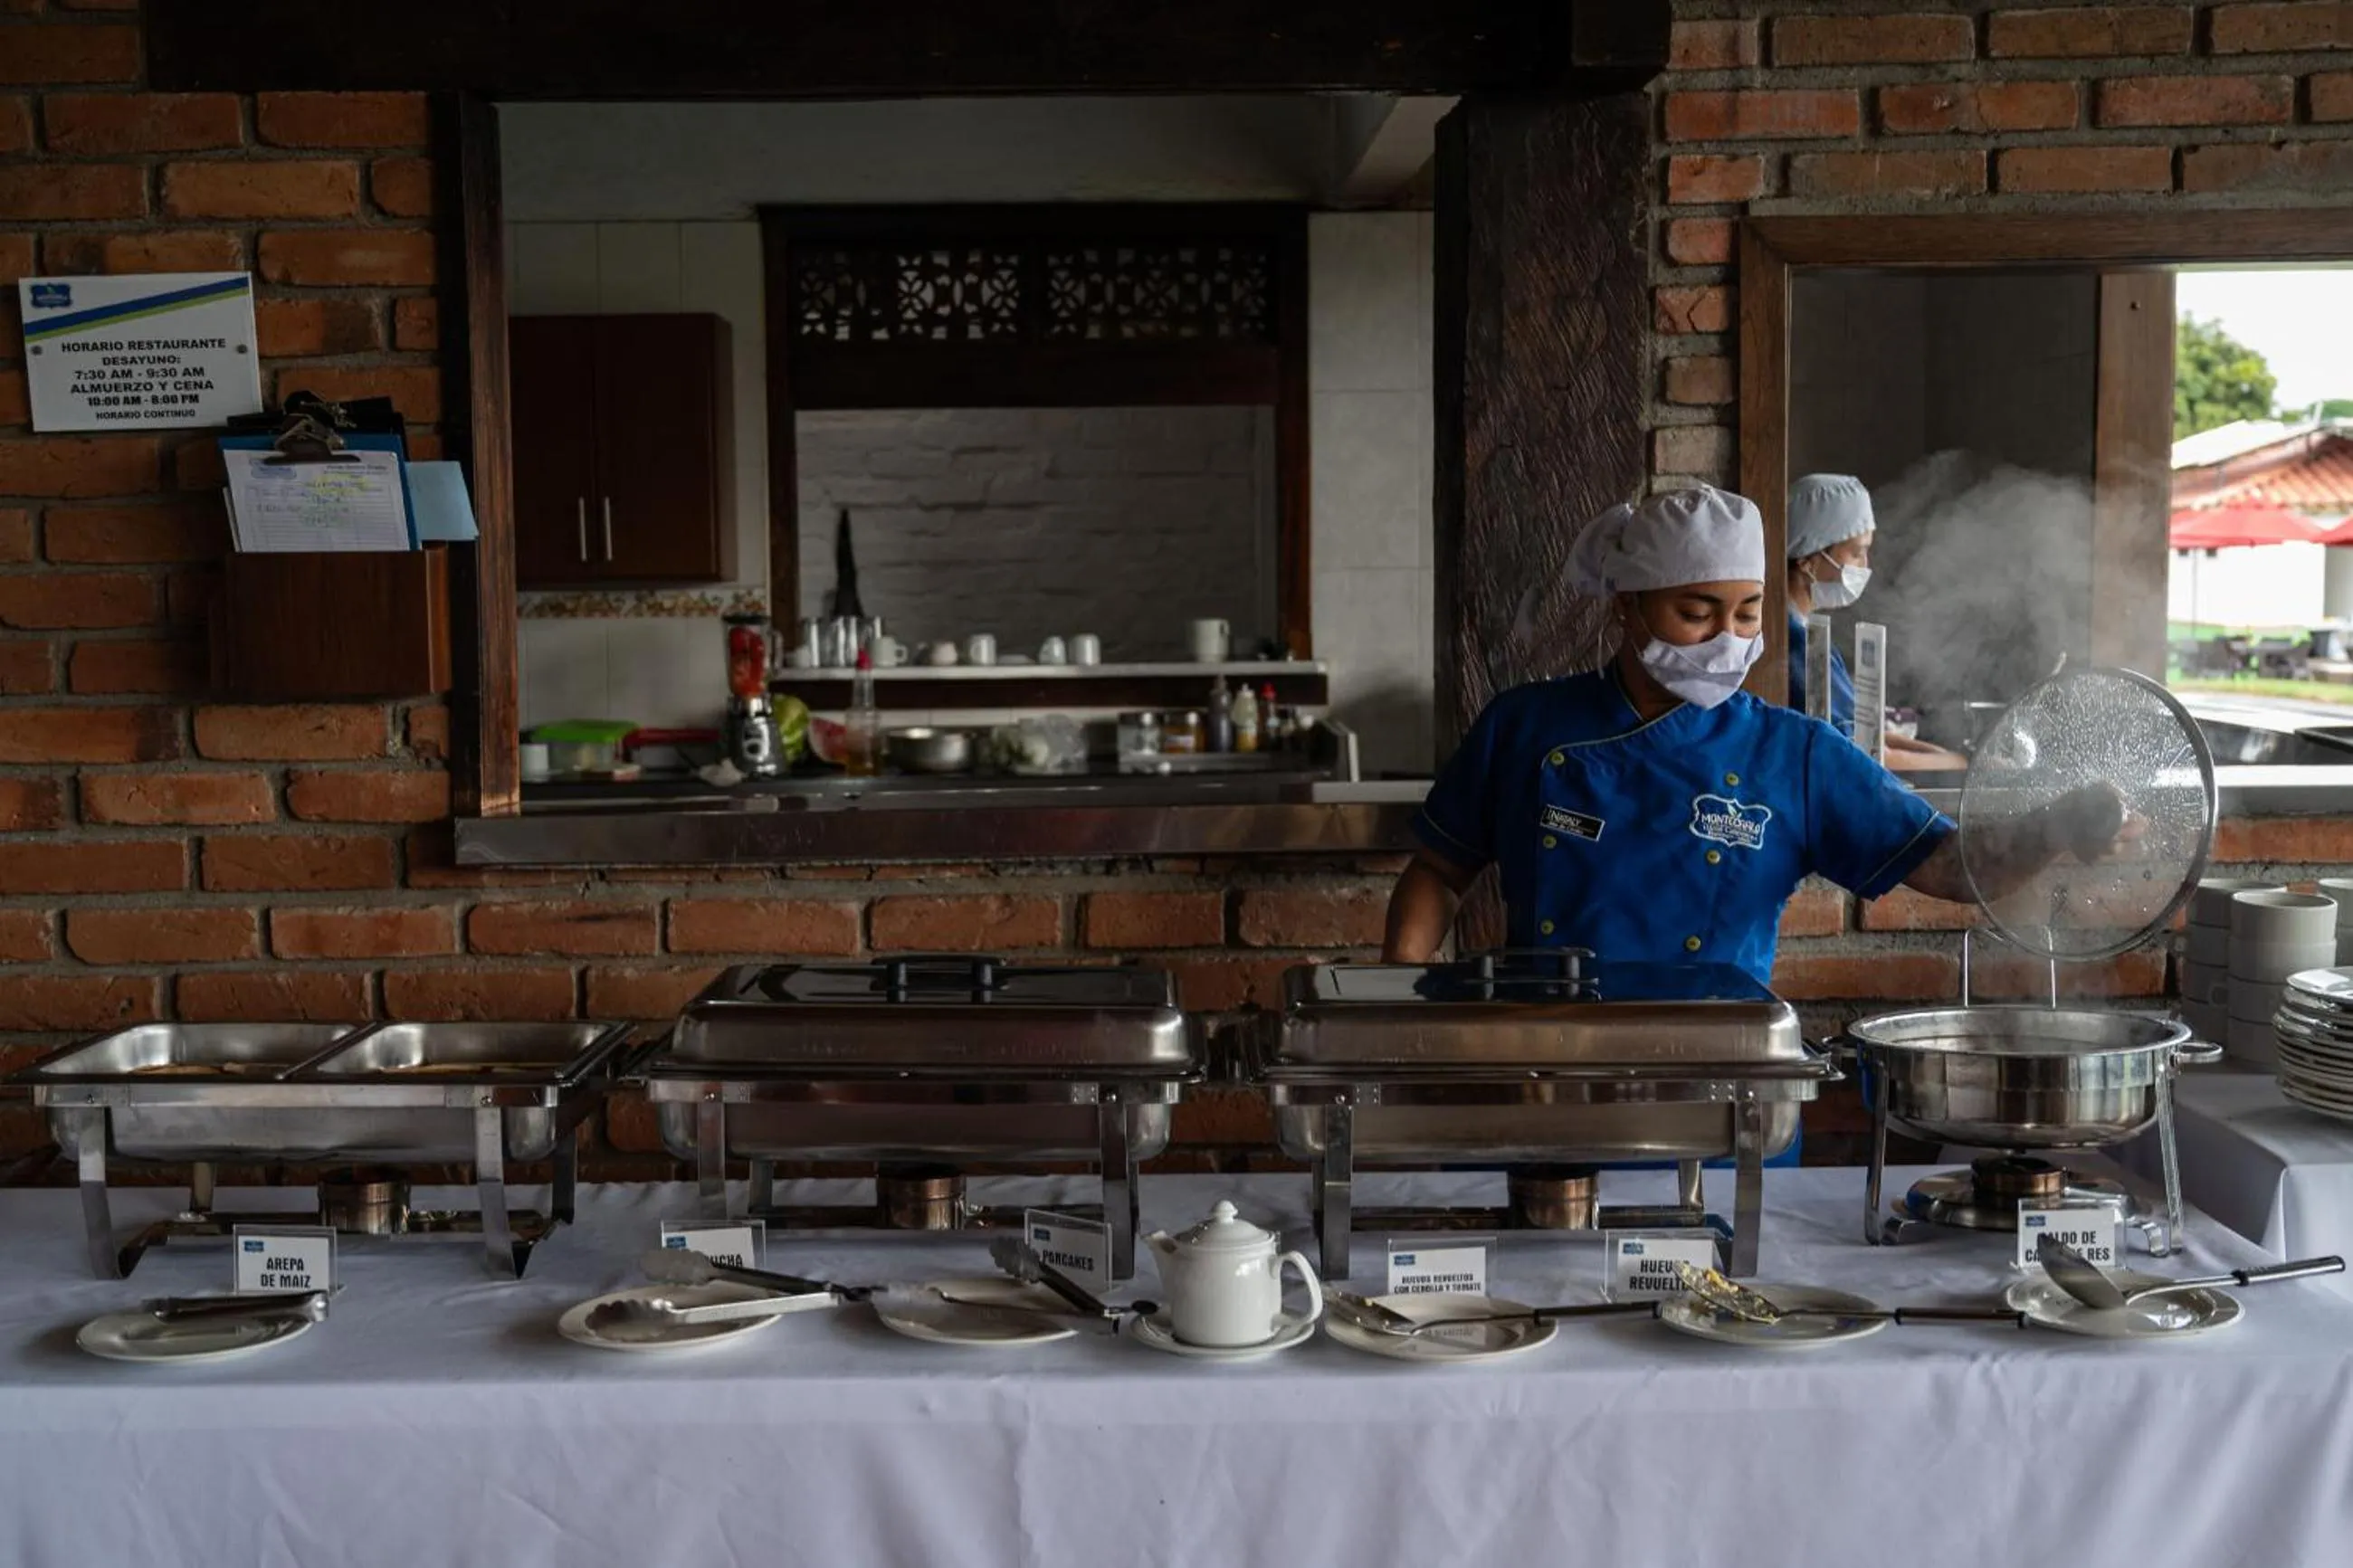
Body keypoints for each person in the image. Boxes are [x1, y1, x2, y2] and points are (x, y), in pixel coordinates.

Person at [1384, 484, 2128, 978]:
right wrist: (1396, 1001)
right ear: (1627, 606)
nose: (1726, 638)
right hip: (1547, 1075)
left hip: (1725, 1087)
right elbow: (1438, 871)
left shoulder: (1793, 753)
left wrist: (2054, 826)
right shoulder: (1525, 725)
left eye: (1746, 613)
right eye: (1697, 611)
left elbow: (1947, 866)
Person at [1784, 472, 1968, 774]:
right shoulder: (1797, 647)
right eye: (1857, 553)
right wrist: (1960, 764)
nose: (1866, 566)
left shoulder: (1806, 631)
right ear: (1807, 560)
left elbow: (1867, 734)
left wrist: (1946, 755)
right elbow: (1868, 754)